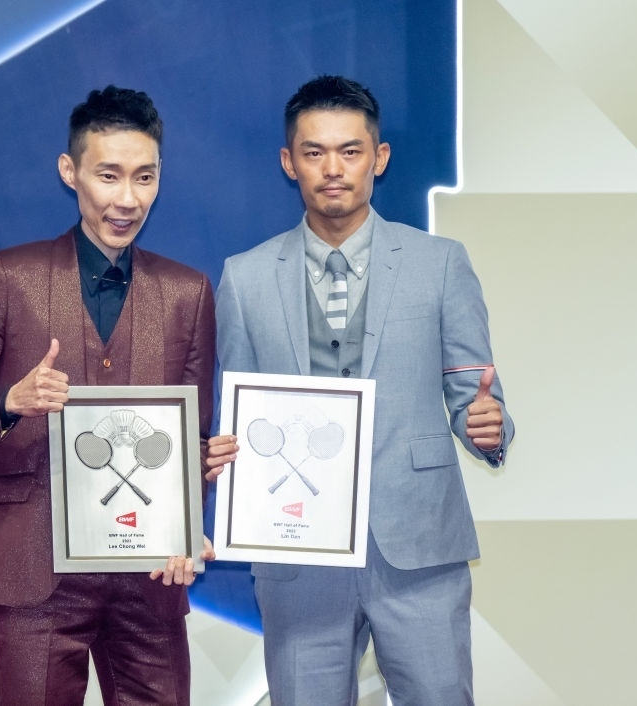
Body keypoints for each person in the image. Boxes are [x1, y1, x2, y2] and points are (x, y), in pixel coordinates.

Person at [207, 75, 515, 705]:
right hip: (297, 551)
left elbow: (475, 395)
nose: (333, 169)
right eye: (314, 152)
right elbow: (239, 416)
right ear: (289, 162)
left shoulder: (441, 263)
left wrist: (488, 426)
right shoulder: (245, 277)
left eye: (350, 151)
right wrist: (222, 457)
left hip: (418, 544)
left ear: (379, 157)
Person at [0, 85, 216, 706]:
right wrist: (9, 402)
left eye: (144, 177)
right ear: (69, 171)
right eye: (109, 175)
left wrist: (190, 524)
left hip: (150, 572)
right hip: (36, 567)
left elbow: (192, 438)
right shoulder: (8, 277)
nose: (127, 199)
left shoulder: (188, 293)